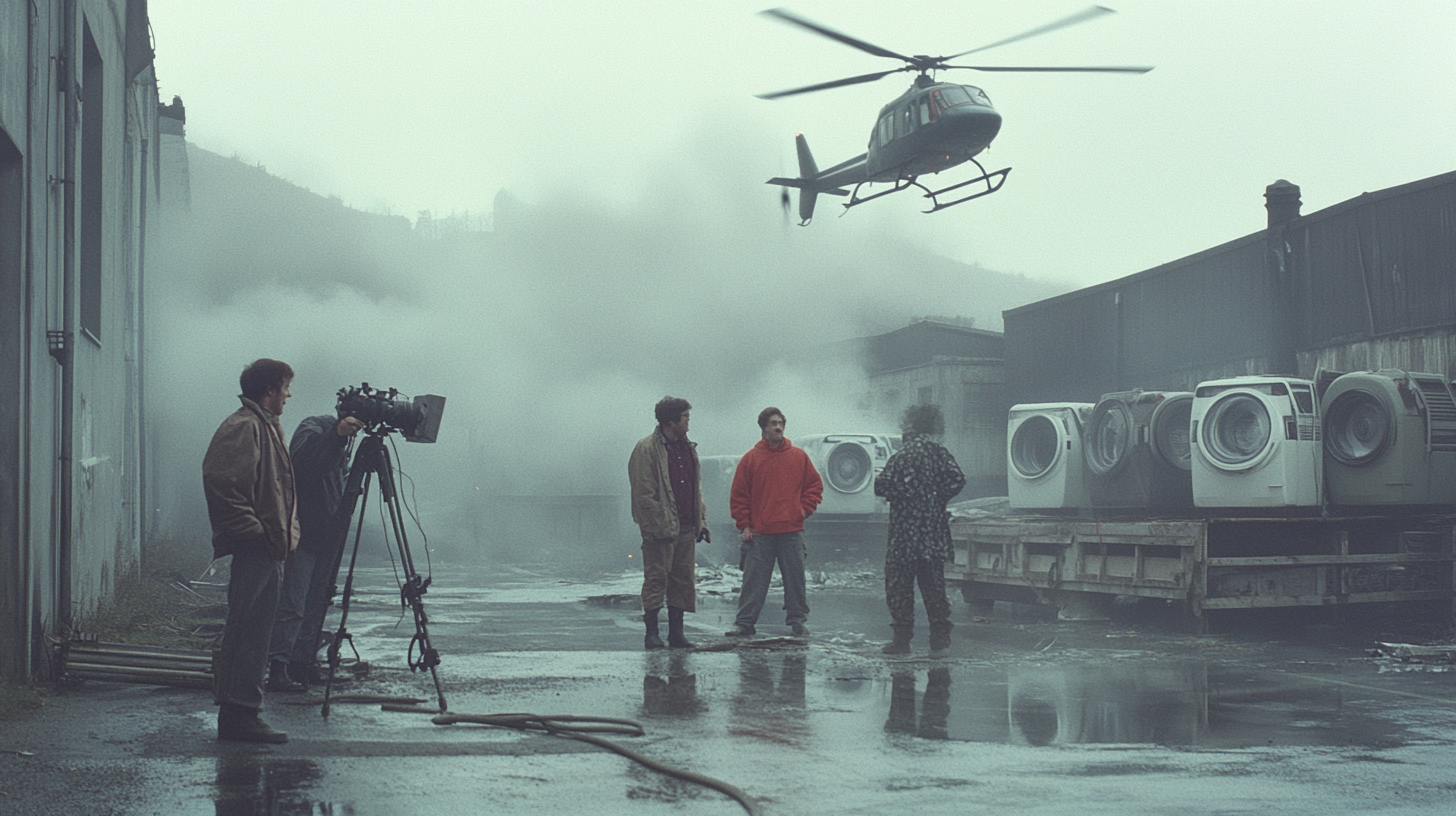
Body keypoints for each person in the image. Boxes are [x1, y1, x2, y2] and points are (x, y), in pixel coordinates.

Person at [202, 359, 300, 743]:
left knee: (256, 632)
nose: (290, 394)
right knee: (247, 632)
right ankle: (239, 714)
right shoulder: (244, 427)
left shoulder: (264, 427)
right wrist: (254, 534)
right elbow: (222, 483)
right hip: (256, 547)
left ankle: (244, 712)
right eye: (286, 386)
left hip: (267, 546)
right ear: (269, 390)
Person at [264, 412, 365, 692]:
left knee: (317, 602)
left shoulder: (341, 440)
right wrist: (336, 435)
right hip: (305, 533)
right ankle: (278, 667)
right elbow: (304, 466)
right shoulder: (314, 426)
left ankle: (303, 662)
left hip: (326, 536)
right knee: (294, 604)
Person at [873, 404, 966, 657]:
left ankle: (902, 640)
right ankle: (940, 638)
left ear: (911, 425)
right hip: (933, 535)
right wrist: (936, 498)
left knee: (899, 587)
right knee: (934, 588)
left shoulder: (904, 454)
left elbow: (881, 485)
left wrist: (905, 496)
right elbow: (958, 479)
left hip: (905, 535)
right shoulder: (940, 452)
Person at [725, 407, 823, 638]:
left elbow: (814, 486)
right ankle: (745, 623)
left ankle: (798, 621)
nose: (778, 427)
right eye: (773, 423)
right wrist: (745, 525)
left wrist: (804, 509)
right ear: (763, 427)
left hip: (791, 530)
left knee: (795, 580)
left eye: (781, 423)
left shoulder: (799, 457)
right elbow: (739, 495)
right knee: (753, 581)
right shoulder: (750, 459)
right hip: (760, 532)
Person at [628, 396, 709, 650]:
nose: (688, 421)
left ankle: (677, 634)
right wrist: (657, 525)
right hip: (659, 528)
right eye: (685, 416)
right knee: (656, 579)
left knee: (683, 579)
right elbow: (643, 492)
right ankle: (652, 634)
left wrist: (701, 520)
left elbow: (696, 488)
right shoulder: (648, 448)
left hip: (686, 525)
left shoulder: (687, 447)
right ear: (671, 421)